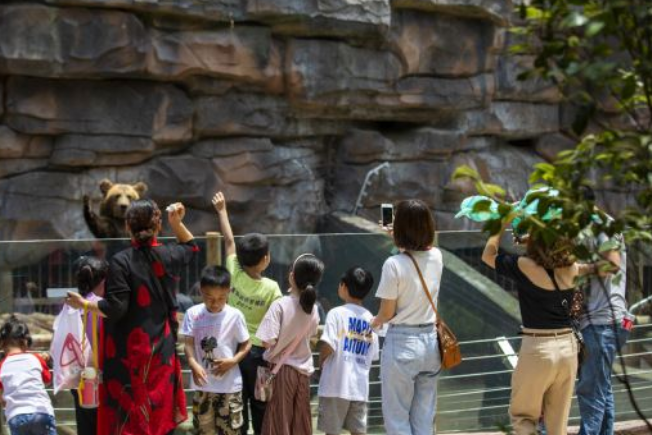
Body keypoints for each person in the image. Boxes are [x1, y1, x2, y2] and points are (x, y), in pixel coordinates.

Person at [66, 199, 198, 435]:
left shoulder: (121, 261)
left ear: (128, 227)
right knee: (158, 412)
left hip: (127, 354)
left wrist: (84, 303)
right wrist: (177, 223)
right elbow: (190, 246)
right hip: (161, 351)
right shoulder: (169, 255)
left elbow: (116, 308)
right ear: (158, 226)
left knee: (127, 417)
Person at [482, 221, 593, 435]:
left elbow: (488, 255)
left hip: (538, 347)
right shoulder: (572, 267)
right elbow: (550, 258)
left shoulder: (524, 265)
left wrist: (501, 224)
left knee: (524, 417)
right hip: (568, 348)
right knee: (558, 425)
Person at [370, 199, 443, 435]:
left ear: (399, 228)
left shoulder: (392, 264)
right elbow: (419, 253)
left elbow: (387, 313)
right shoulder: (438, 257)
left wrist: (375, 321)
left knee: (397, 417)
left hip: (402, 344)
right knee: (423, 416)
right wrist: (400, 235)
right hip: (431, 343)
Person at [212, 192, 283, 435]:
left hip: (232, 350)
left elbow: (229, 241)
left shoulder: (233, 270)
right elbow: (278, 323)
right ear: (265, 260)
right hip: (260, 356)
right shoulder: (272, 288)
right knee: (262, 404)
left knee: (237, 404)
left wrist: (222, 211)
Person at [256, 253, 324, 435]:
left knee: (279, 421)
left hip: (281, 371)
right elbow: (309, 336)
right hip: (303, 373)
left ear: (292, 276)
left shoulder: (280, 305)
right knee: (300, 422)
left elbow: (266, 341)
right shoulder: (314, 309)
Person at [181, 265, 252, 435]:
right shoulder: (192, 314)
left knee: (230, 431)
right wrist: (192, 363)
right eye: (209, 297)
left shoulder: (235, 315)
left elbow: (247, 344)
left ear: (229, 291)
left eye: (221, 298)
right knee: (203, 431)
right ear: (201, 291)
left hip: (230, 387)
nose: (215, 303)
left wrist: (233, 361)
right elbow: (188, 343)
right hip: (203, 386)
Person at [318, 267, 379, 435]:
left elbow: (328, 345)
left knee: (332, 431)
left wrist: (320, 362)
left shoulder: (335, 314)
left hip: (334, 385)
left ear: (343, 286)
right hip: (359, 387)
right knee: (358, 432)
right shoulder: (370, 318)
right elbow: (372, 355)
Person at [0, 316, 56, 435]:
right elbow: (47, 379)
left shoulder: (2, 366)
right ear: (26, 341)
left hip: (16, 416)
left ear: (2, 344)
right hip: (41, 412)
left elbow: (2, 398)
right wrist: (45, 362)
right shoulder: (36, 358)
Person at [71, 255, 108, 435]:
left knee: (85, 424)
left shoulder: (71, 304)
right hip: (99, 375)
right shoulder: (100, 306)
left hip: (76, 374)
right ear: (103, 280)